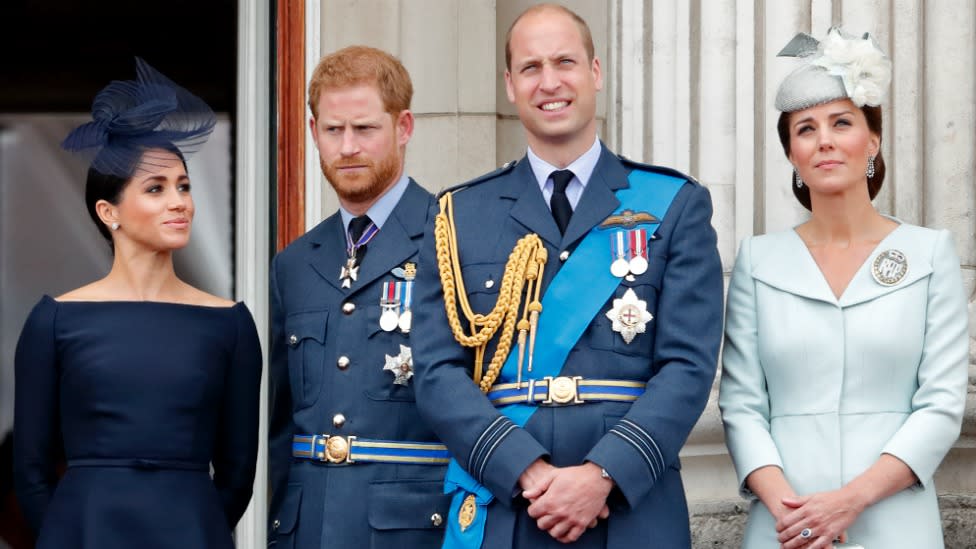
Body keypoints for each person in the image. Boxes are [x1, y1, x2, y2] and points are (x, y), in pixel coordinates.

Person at [410, 4, 723, 548]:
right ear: (510, 85)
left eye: (565, 62)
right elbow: (437, 372)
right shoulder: (460, 214)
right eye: (530, 68)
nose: (549, 82)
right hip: (510, 503)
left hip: (629, 507)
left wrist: (603, 475)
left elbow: (688, 366)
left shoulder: (674, 204)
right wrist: (527, 472)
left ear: (595, 73)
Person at [719, 28, 969, 549]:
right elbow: (742, 404)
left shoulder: (928, 254)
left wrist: (849, 500)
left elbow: (941, 402)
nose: (825, 140)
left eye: (841, 123)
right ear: (791, 152)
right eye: (805, 129)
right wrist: (794, 511)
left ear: (872, 140)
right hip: (784, 524)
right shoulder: (758, 261)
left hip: (895, 520)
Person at [13, 58, 263, 548]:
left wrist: (198, 527)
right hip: (84, 533)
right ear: (109, 212)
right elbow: (30, 471)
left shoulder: (230, 324)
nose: (180, 202)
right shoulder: (55, 321)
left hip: (191, 534)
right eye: (156, 188)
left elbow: (238, 474)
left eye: (184, 186)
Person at [267, 45, 450, 548]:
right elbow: (280, 425)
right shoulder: (295, 263)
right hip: (306, 528)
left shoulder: (454, 240)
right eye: (333, 130)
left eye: (365, 128)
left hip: (412, 531)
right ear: (313, 133)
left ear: (404, 126)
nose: (347, 146)